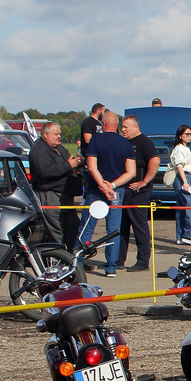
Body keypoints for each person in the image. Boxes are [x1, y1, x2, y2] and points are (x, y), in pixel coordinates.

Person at [81, 112, 137, 276]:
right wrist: (111, 185)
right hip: (116, 191)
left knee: (87, 227)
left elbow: (92, 167)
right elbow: (131, 172)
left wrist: (102, 185)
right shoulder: (126, 144)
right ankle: (111, 267)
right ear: (117, 125)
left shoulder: (96, 140)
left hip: (95, 190)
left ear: (103, 124)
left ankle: (77, 261)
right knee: (113, 229)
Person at [28, 122, 83, 251]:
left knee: (74, 227)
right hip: (50, 194)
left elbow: (69, 161)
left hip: (66, 194)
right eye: (56, 134)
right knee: (56, 232)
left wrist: (79, 162)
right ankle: (61, 260)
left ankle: (76, 257)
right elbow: (46, 171)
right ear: (45, 135)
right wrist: (69, 165)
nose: (59, 137)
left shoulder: (59, 148)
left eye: (59, 134)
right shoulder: (38, 150)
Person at [117, 116, 160, 272]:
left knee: (139, 225)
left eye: (126, 127)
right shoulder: (125, 143)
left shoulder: (144, 142)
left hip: (139, 191)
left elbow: (155, 161)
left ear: (135, 127)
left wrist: (145, 182)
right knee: (122, 226)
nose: (123, 130)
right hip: (125, 190)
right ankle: (119, 259)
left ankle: (143, 261)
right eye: (122, 127)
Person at [170, 125, 191, 245]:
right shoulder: (179, 149)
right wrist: (185, 182)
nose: (189, 137)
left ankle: (181, 236)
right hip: (181, 178)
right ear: (180, 136)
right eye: (186, 134)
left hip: (186, 176)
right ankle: (189, 235)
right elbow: (180, 167)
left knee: (182, 209)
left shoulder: (186, 148)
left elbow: (189, 169)